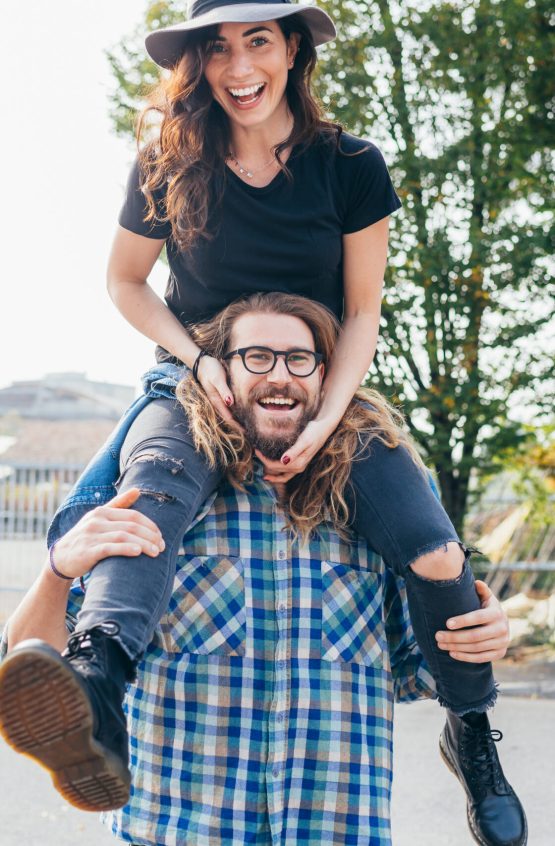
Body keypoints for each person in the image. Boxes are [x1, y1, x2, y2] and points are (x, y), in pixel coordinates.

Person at [0, 1, 526, 841]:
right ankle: (98, 688)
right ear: (197, 64)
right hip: (199, 373)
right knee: (147, 500)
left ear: (291, 51)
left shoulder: (349, 164)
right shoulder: (168, 161)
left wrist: (328, 422)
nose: (238, 67)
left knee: (432, 548)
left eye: (257, 42)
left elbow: (359, 312)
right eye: (217, 49)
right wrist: (198, 362)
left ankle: (471, 733)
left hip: (320, 376)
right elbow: (127, 284)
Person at [0, 295, 523, 846]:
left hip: (334, 830)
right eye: (256, 358)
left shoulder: (372, 524)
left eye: (300, 359)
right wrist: (58, 572)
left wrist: (486, 635)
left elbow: (420, 670)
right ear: (220, 373)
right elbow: (32, 658)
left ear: (327, 377)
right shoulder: (162, 510)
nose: (279, 376)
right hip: (177, 832)